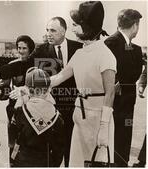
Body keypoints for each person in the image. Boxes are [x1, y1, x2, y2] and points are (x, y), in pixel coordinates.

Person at [0, 16, 83, 167]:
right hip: (49, 106)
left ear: (64, 30)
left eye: (53, 30)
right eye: (47, 30)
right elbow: (23, 65)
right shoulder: (41, 50)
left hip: (72, 104)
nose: (49, 33)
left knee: (71, 146)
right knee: (51, 147)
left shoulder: (78, 47)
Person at [50, 1, 116, 167]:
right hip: (80, 118)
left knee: (97, 163)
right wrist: (31, 85)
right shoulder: (80, 53)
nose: (72, 29)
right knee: (77, 163)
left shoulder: (106, 55)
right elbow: (58, 78)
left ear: (87, 27)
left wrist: (104, 127)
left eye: (75, 25)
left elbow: (110, 93)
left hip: (99, 119)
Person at [104, 9, 143, 167]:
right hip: (113, 105)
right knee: (113, 140)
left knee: (124, 138)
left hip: (127, 106)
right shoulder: (110, 43)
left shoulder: (136, 49)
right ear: (135, 25)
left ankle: (121, 163)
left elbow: (133, 74)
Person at [9, 67, 64, 167]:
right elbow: (59, 150)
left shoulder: (20, 112)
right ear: (48, 89)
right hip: (46, 162)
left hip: (23, 161)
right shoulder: (57, 116)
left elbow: (12, 139)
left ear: (28, 90)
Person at [0, 35, 35, 167]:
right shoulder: (11, 65)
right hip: (15, 109)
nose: (21, 51)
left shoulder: (37, 65)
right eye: (19, 47)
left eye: (24, 48)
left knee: (31, 140)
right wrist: (3, 92)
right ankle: (13, 164)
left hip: (33, 107)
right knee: (14, 141)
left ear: (31, 49)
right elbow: (4, 89)